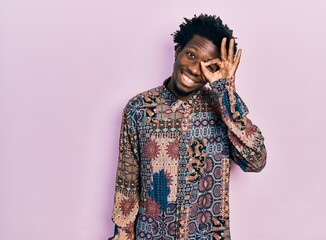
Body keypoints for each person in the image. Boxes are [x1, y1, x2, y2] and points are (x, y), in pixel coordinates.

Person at [108, 14, 267, 240]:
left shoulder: (223, 108)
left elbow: (255, 162)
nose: (194, 69)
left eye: (208, 65)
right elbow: (127, 183)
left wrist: (225, 91)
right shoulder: (139, 109)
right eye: (191, 55)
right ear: (177, 50)